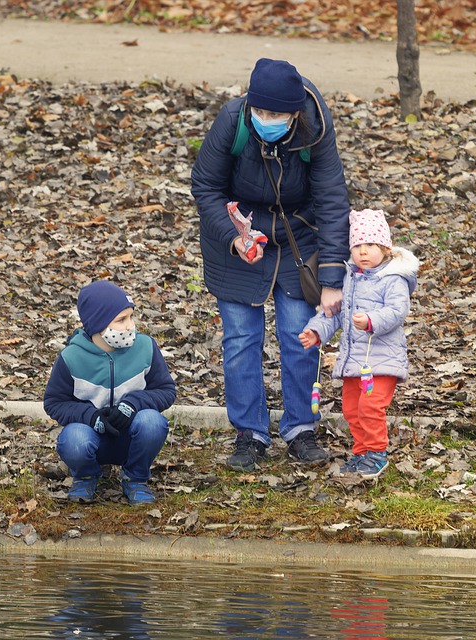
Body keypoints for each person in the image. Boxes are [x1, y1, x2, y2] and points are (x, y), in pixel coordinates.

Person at [191, 57, 351, 471]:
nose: (266, 119)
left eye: (276, 114)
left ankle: (302, 428)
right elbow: (206, 186)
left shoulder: (315, 129)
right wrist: (235, 237)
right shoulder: (233, 120)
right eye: (259, 112)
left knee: (301, 336)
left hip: (300, 237)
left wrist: (332, 278)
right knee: (241, 340)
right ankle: (250, 434)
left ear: (295, 112)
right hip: (241, 235)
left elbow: (333, 201)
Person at [298, 209, 419, 479]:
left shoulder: (393, 278)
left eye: (370, 245)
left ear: (385, 248)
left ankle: (376, 453)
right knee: (352, 408)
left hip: (382, 359)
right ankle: (361, 451)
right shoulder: (350, 278)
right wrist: (317, 331)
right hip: (355, 361)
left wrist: (372, 320)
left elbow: (398, 311)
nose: (363, 251)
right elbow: (336, 313)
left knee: (370, 406)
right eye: (357, 245)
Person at [44, 280, 176, 504]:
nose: (130, 326)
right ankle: (86, 475)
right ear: (97, 324)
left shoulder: (145, 347)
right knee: (73, 439)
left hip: (133, 437)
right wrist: (91, 416)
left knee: (153, 422)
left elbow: (166, 390)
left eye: (131, 317)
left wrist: (134, 403)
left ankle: (135, 478)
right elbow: (54, 403)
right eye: (121, 320)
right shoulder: (71, 358)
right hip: (92, 437)